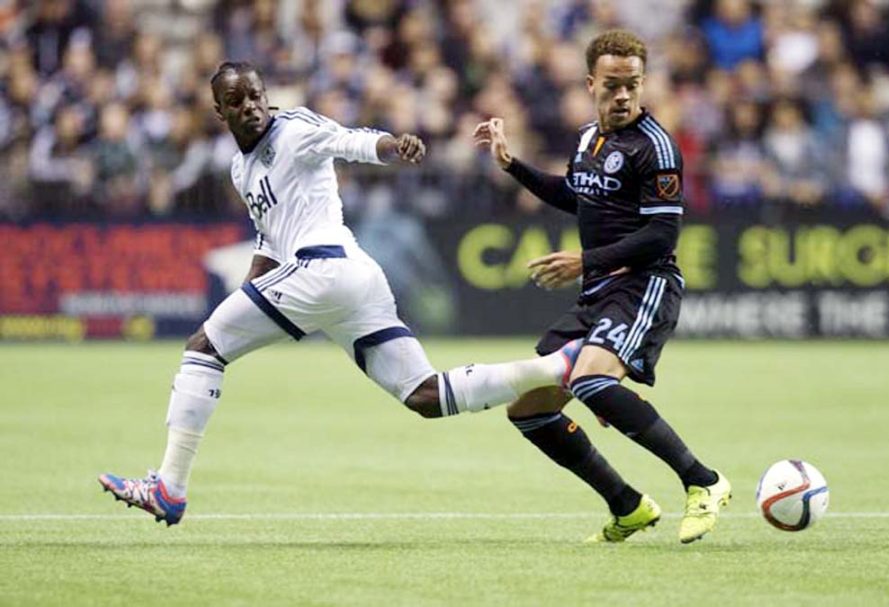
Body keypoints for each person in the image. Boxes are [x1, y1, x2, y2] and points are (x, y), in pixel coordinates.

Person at [98, 61, 580, 526]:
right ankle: (558, 366)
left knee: (203, 348)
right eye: (235, 100)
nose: (250, 107)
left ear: (265, 96)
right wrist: (249, 300)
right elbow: (269, 239)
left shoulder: (292, 128)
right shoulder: (240, 171)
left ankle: (169, 489)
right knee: (425, 395)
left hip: (323, 269)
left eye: (255, 95)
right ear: (219, 112)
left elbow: (347, 139)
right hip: (347, 280)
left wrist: (393, 145)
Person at [473, 29, 731, 544]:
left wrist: (583, 260)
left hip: (644, 284)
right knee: (529, 409)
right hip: (597, 293)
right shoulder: (589, 138)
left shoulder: (656, 148)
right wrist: (512, 165)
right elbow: (576, 195)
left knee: (591, 382)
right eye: (612, 85)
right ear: (591, 83)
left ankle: (704, 482)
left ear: (642, 84)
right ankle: (627, 505)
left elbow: (662, 233)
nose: (623, 95)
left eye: (632, 84)